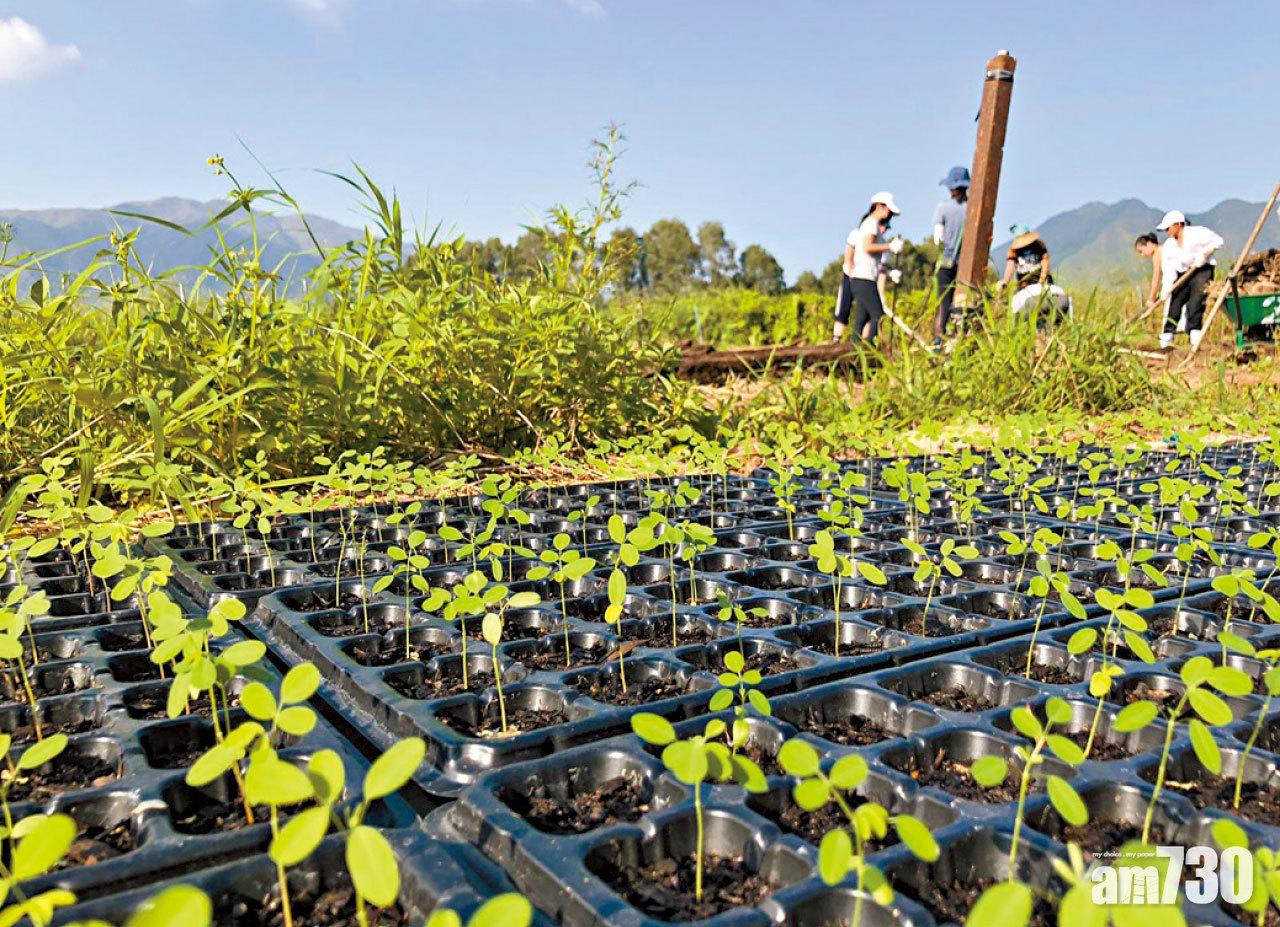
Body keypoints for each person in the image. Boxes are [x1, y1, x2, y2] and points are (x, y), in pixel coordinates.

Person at [833, 192, 904, 343]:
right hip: (863, 278)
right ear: (879, 206)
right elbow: (867, 247)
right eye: (888, 211)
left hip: (866, 278)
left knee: (862, 318)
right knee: (878, 315)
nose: (889, 215)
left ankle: (855, 350)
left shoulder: (873, 225)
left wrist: (890, 274)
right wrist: (889, 246)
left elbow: (876, 262)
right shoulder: (871, 223)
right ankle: (869, 348)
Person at [1154, 209, 1223, 349]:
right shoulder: (1169, 246)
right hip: (1184, 273)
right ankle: (1166, 339)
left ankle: (1194, 340)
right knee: (1175, 302)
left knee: (1195, 303)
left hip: (1202, 270)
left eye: (1168, 228)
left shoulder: (1197, 233)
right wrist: (1166, 289)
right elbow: (1169, 270)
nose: (1167, 231)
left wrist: (1204, 255)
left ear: (1178, 224)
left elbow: (1218, 241)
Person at [1000, 224, 1071, 322]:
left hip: (1041, 284)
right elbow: (1010, 269)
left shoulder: (1039, 246)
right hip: (1025, 285)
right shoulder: (1014, 252)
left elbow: (1045, 265)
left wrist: (1041, 281)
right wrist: (1005, 282)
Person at [932, 166, 969, 346]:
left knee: (943, 303)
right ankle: (960, 338)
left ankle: (938, 341)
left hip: (947, 262)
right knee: (963, 302)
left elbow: (937, 238)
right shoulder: (972, 208)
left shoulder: (943, 208)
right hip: (966, 263)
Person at [1134, 232, 1186, 343]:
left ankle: (1165, 342)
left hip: (1172, 285)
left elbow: (1156, 277)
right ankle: (1169, 338)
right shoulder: (1165, 249)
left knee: (1170, 314)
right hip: (1179, 283)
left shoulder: (1158, 253)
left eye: (1141, 251)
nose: (1142, 255)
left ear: (1149, 244)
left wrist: (1151, 299)